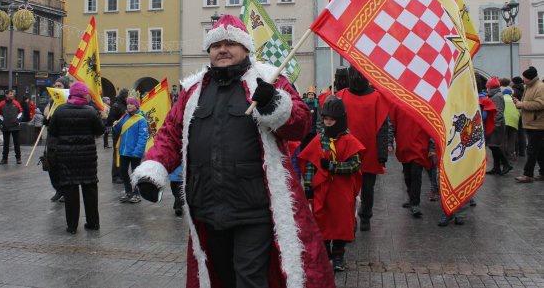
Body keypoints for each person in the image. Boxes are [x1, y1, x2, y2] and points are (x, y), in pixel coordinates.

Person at [131, 15, 335, 288]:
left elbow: (301, 123)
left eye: (230, 43)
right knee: (221, 278)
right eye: (216, 45)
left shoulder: (268, 79)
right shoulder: (192, 90)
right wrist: (154, 169)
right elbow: (170, 134)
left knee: (250, 279)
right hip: (207, 207)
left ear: (246, 48)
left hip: (255, 209)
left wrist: (274, 103)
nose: (223, 49)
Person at [296, 95, 365, 272]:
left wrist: (334, 166)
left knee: (341, 223)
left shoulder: (350, 141)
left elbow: (355, 165)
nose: (327, 122)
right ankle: (325, 251)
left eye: (331, 120)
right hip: (322, 190)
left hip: (341, 192)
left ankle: (339, 255)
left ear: (339, 120)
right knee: (322, 221)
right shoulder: (319, 140)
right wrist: (308, 186)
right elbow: (310, 164)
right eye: (325, 119)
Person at [336, 66, 390, 232]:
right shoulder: (341, 97)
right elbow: (334, 125)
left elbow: (382, 127)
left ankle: (365, 215)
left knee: (367, 189)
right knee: (348, 190)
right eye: (354, 75)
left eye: (360, 74)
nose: (357, 78)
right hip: (347, 152)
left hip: (370, 153)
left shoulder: (377, 98)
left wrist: (382, 152)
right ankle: (349, 219)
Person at [48, 81, 105, 234]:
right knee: (90, 190)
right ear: (84, 94)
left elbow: (52, 132)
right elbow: (100, 131)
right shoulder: (90, 111)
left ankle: (72, 226)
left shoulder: (60, 110)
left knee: (70, 191)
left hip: (67, 157)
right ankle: (93, 223)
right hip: (87, 157)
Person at [389, 103, 435, 218]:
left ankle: (415, 203)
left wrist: (432, 147)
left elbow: (432, 127)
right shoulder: (397, 105)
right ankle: (411, 197)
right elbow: (391, 125)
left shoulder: (424, 105)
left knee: (416, 175)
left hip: (420, 148)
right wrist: (389, 142)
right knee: (408, 175)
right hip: (404, 147)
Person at [112, 96, 149, 203]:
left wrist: (137, 151)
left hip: (135, 152)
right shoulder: (125, 117)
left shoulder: (141, 120)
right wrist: (116, 125)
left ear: (136, 106)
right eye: (128, 103)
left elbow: (143, 137)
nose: (129, 105)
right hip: (124, 151)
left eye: (131, 104)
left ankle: (137, 194)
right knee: (123, 172)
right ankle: (128, 191)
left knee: (135, 174)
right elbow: (119, 131)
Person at [514, 66, 544, 183]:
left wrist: (522, 104)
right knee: (539, 150)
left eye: (525, 78)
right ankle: (543, 173)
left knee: (531, 150)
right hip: (531, 123)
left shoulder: (540, 87)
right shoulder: (530, 86)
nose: (523, 80)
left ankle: (528, 174)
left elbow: (540, 104)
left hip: (537, 124)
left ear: (530, 78)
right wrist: (519, 103)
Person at [43, 77, 69, 202]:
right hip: (52, 140)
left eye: (59, 86)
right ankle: (58, 189)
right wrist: (46, 119)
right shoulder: (52, 102)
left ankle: (65, 190)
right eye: (56, 85)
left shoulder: (67, 102)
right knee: (51, 167)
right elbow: (47, 120)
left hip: (63, 139)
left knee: (62, 167)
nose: (57, 88)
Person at [485, 77, 510, 175]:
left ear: (491, 87)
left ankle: (506, 164)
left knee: (495, 146)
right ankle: (496, 168)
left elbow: (498, 112)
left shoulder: (497, 96)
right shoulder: (494, 95)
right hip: (494, 123)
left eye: (487, 86)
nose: (486, 88)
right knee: (493, 146)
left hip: (496, 124)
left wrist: (495, 124)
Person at [0, 90, 23, 164]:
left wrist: (17, 121)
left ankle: (18, 158)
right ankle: (4, 159)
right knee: (6, 144)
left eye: (12, 94)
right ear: (6, 95)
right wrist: (3, 122)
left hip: (15, 126)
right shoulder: (1, 104)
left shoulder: (16, 103)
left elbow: (21, 112)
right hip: (6, 126)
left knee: (16, 143)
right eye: (11, 94)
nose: (12, 95)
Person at [108, 88, 128, 183]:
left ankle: (122, 174)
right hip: (118, 134)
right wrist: (115, 122)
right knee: (117, 154)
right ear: (124, 96)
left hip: (126, 133)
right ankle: (115, 176)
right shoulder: (116, 105)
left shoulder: (126, 105)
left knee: (124, 155)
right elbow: (110, 120)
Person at [502, 86, 520, 162]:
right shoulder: (515, 100)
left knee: (504, 139)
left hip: (505, 121)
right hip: (514, 121)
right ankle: (512, 154)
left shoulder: (501, 98)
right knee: (512, 140)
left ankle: (504, 156)